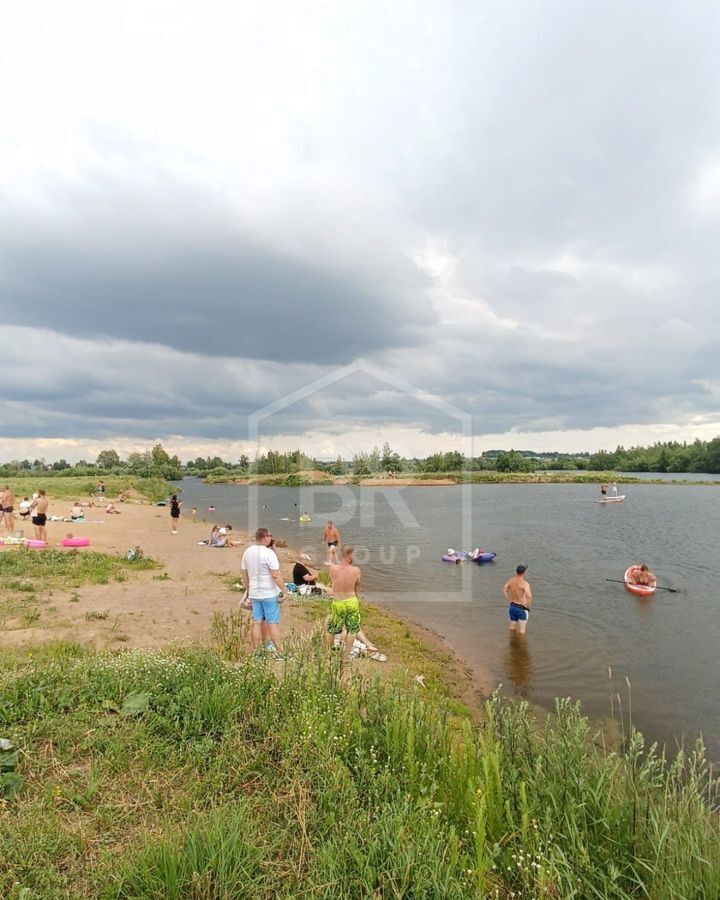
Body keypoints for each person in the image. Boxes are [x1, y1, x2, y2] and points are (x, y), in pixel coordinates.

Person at [241, 528, 286, 657]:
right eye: (270, 536)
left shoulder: (247, 552)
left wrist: (249, 592)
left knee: (257, 622)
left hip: (255, 593)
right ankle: (280, 653)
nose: (271, 538)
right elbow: (275, 575)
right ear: (265, 537)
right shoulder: (269, 553)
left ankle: (257, 652)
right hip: (269, 593)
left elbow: (245, 574)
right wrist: (284, 590)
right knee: (272, 622)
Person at [327, 545, 362, 654]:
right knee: (352, 630)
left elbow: (331, 562)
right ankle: (345, 657)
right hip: (351, 601)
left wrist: (332, 554)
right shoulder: (356, 570)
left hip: (338, 602)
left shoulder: (332, 568)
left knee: (332, 628)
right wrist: (357, 598)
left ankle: (328, 652)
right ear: (350, 556)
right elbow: (357, 586)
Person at [503, 565, 532, 635]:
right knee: (522, 631)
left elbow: (504, 589)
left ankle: (511, 642)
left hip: (512, 606)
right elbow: (529, 596)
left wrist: (508, 599)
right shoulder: (525, 583)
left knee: (512, 626)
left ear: (516, 571)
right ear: (524, 573)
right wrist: (528, 606)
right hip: (521, 608)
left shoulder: (511, 580)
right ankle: (521, 645)